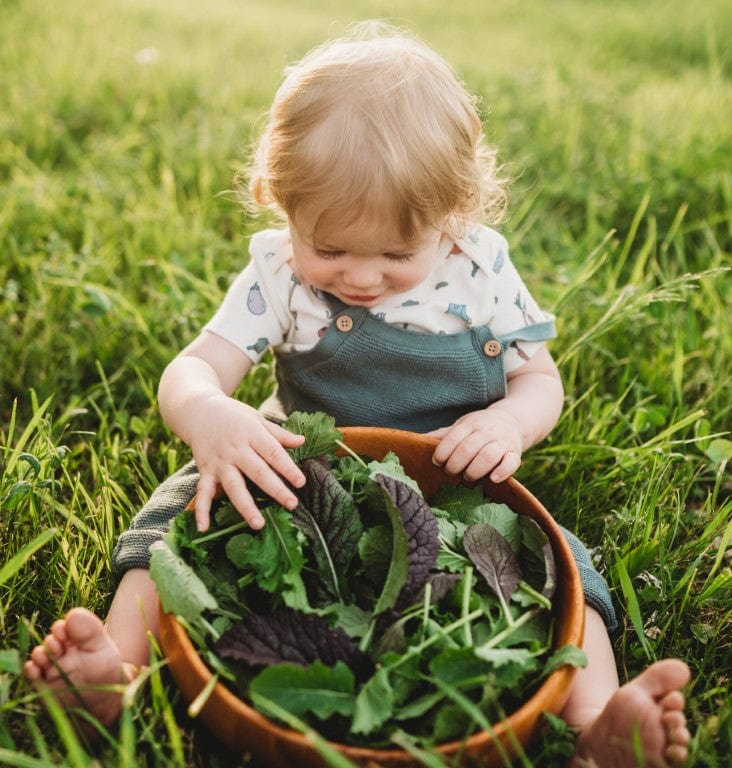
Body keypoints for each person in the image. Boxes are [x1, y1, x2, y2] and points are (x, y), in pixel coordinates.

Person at [24, 21, 691, 767]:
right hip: (292, 473)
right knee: (178, 528)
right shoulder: (277, 272)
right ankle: (113, 670)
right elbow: (193, 369)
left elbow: (539, 378)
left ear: (455, 218)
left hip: (450, 482)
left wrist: (509, 422)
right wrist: (211, 414)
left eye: (397, 255)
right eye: (330, 250)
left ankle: (598, 719)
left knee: (557, 567)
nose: (360, 278)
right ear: (281, 205)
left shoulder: (479, 271)